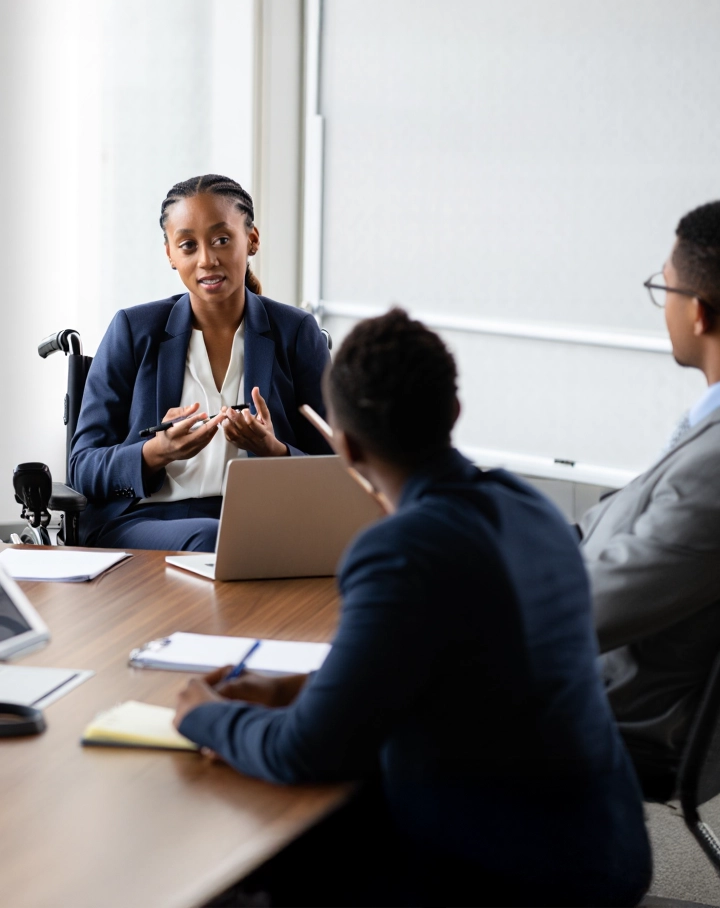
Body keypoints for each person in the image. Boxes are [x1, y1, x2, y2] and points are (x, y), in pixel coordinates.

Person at [174, 309, 651, 908]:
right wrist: (294, 688)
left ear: (344, 445)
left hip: (510, 875)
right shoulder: (532, 508)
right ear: (453, 414)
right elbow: (455, 667)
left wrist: (202, 715)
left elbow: (306, 750)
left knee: (262, 851)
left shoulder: (398, 549)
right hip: (607, 848)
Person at [69, 174, 331, 551]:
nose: (207, 260)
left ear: (252, 239)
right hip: (144, 519)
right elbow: (83, 468)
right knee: (216, 539)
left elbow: (335, 466)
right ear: (170, 255)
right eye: (188, 245)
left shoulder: (296, 331)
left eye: (222, 240)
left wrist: (274, 451)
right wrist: (157, 452)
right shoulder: (133, 329)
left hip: (261, 517)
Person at [581, 199, 720, 798]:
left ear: (699, 313)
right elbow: (629, 522)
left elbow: (586, 612)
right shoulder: (706, 426)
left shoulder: (714, 466)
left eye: (664, 290)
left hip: (624, 711)